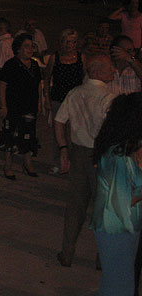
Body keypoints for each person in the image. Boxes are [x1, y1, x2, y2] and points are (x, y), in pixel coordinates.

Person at [54, 55, 115, 268]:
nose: (114, 71)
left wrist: (63, 148)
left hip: (78, 152)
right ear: (97, 72)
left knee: (75, 207)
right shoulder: (108, 97)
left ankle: (67, 252)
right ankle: (102, 257)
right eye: (109, 69)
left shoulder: (76, 93)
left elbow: (59, 121)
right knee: (104, 208)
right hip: (101, 155)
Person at [91, 93, 142, 295]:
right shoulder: (116, 154)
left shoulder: (129, 149)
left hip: (128, 224)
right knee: (120, 285)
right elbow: (125, 199)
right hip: (116, 226)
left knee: (119, 282)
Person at [0, 33, 41, 179]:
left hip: (30, 106)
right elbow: (2, 85)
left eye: (31, 46)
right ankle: (7, 165)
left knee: (29, 134)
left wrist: (39, 103)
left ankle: (27, 163)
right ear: (18, 49)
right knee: (10, 135)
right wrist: (3, 106)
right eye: (26, 46)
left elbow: (37, 86)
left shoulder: (35, 65)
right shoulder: (11, 64)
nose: (29, 49)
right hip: (13, 106)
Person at [43, 29, 85, 118]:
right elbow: (47, 78)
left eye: (73, 42)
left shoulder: (81, 58)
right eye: (67, 42)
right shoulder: (54, 58)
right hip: (58, 98)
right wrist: (47, 98)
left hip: (75, 99)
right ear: (62, 42)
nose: (70, 45)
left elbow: (85, 78)